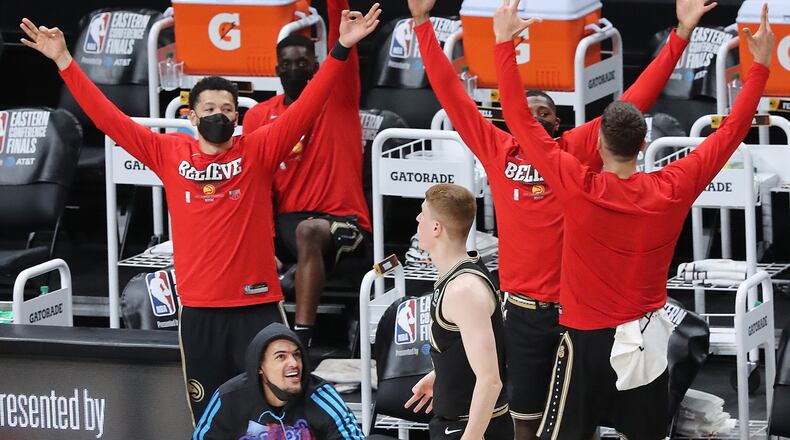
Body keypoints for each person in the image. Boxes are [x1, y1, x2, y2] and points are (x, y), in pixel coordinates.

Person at [19, 5, 380, 423]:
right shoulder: (168, 152)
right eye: (209, 109)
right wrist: (65, 61)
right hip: (200, 312)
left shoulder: (259, 149)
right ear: (191, 116)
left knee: (280, 415)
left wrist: (340, 48)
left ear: (238, 116)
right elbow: (109, 120)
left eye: (227, 110)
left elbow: (311, 104)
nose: (219, 116)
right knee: (212, 420)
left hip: (258, 308)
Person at [405, 0, 712, 437]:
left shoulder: (574, 152)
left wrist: (680, 34)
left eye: (545, 112)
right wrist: (420, 24)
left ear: (559, 120)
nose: (535, 116)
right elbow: (452, 96)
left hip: (578, 319)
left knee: (581, 427)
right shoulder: (498, 151)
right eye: (527, 111)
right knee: (524, 427)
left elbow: (636, 99)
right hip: (523, 317)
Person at [492, 1, 772, 439]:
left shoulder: (577, 183)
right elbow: (733, 129)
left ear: (598, 142)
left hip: (585, 342)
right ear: (644, 143)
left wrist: (504, 43)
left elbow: (518, 120)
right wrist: (760, 67)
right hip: (645, 339)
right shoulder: (673, 187)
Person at [242, 0, 372, 348]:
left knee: (309, 231)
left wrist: (338, 9)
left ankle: (302, 339)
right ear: (276, 70)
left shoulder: (338, 97)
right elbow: (257, 184)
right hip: (287, 227)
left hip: (343, 223)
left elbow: (340, 37)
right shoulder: (258, 117)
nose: (294, 69)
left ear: (316, 65)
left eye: (302, 62)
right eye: (286, 64)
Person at [405, 184, 512, 439]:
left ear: (436, 228)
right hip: (456, 421)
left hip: (473, 428)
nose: (418, 219)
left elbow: (490, 380)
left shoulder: (463, 290)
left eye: (423, 213)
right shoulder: (461, 274)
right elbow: (470, 349)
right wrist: (443, 374)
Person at [192, 322, 365, 439]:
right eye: (281, 357)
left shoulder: (321, 396)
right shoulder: (229, 397)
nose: (294, 363)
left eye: (296, 355)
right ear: (260, 366)